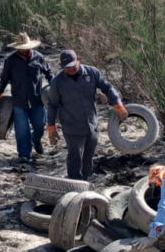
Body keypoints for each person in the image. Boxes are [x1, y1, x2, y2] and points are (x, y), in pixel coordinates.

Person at [46, 50, 127, 181]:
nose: (70, 69)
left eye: (73, 65)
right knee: (75, 157)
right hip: (72, 127)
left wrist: (118, 104)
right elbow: (52, 105)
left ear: (78, 59)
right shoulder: (57, 82)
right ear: (61, 66)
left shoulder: (92, 72)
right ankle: (74, 184)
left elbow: (107, 87)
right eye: (67, 67)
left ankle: (86, 181)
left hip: (91, 125)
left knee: (88, 157)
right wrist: (51, 127)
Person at [0, 33, 53, 164]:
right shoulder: (10, 61)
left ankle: (36, 140)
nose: (24, 50)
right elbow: (4, 79)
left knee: (40, 126)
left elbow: (49, 73)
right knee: (22, 130)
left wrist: (55, 87)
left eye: (26, 48)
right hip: (19, 100)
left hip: (37, 100)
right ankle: (24, 154)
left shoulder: (39, 58)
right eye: (21, 48)